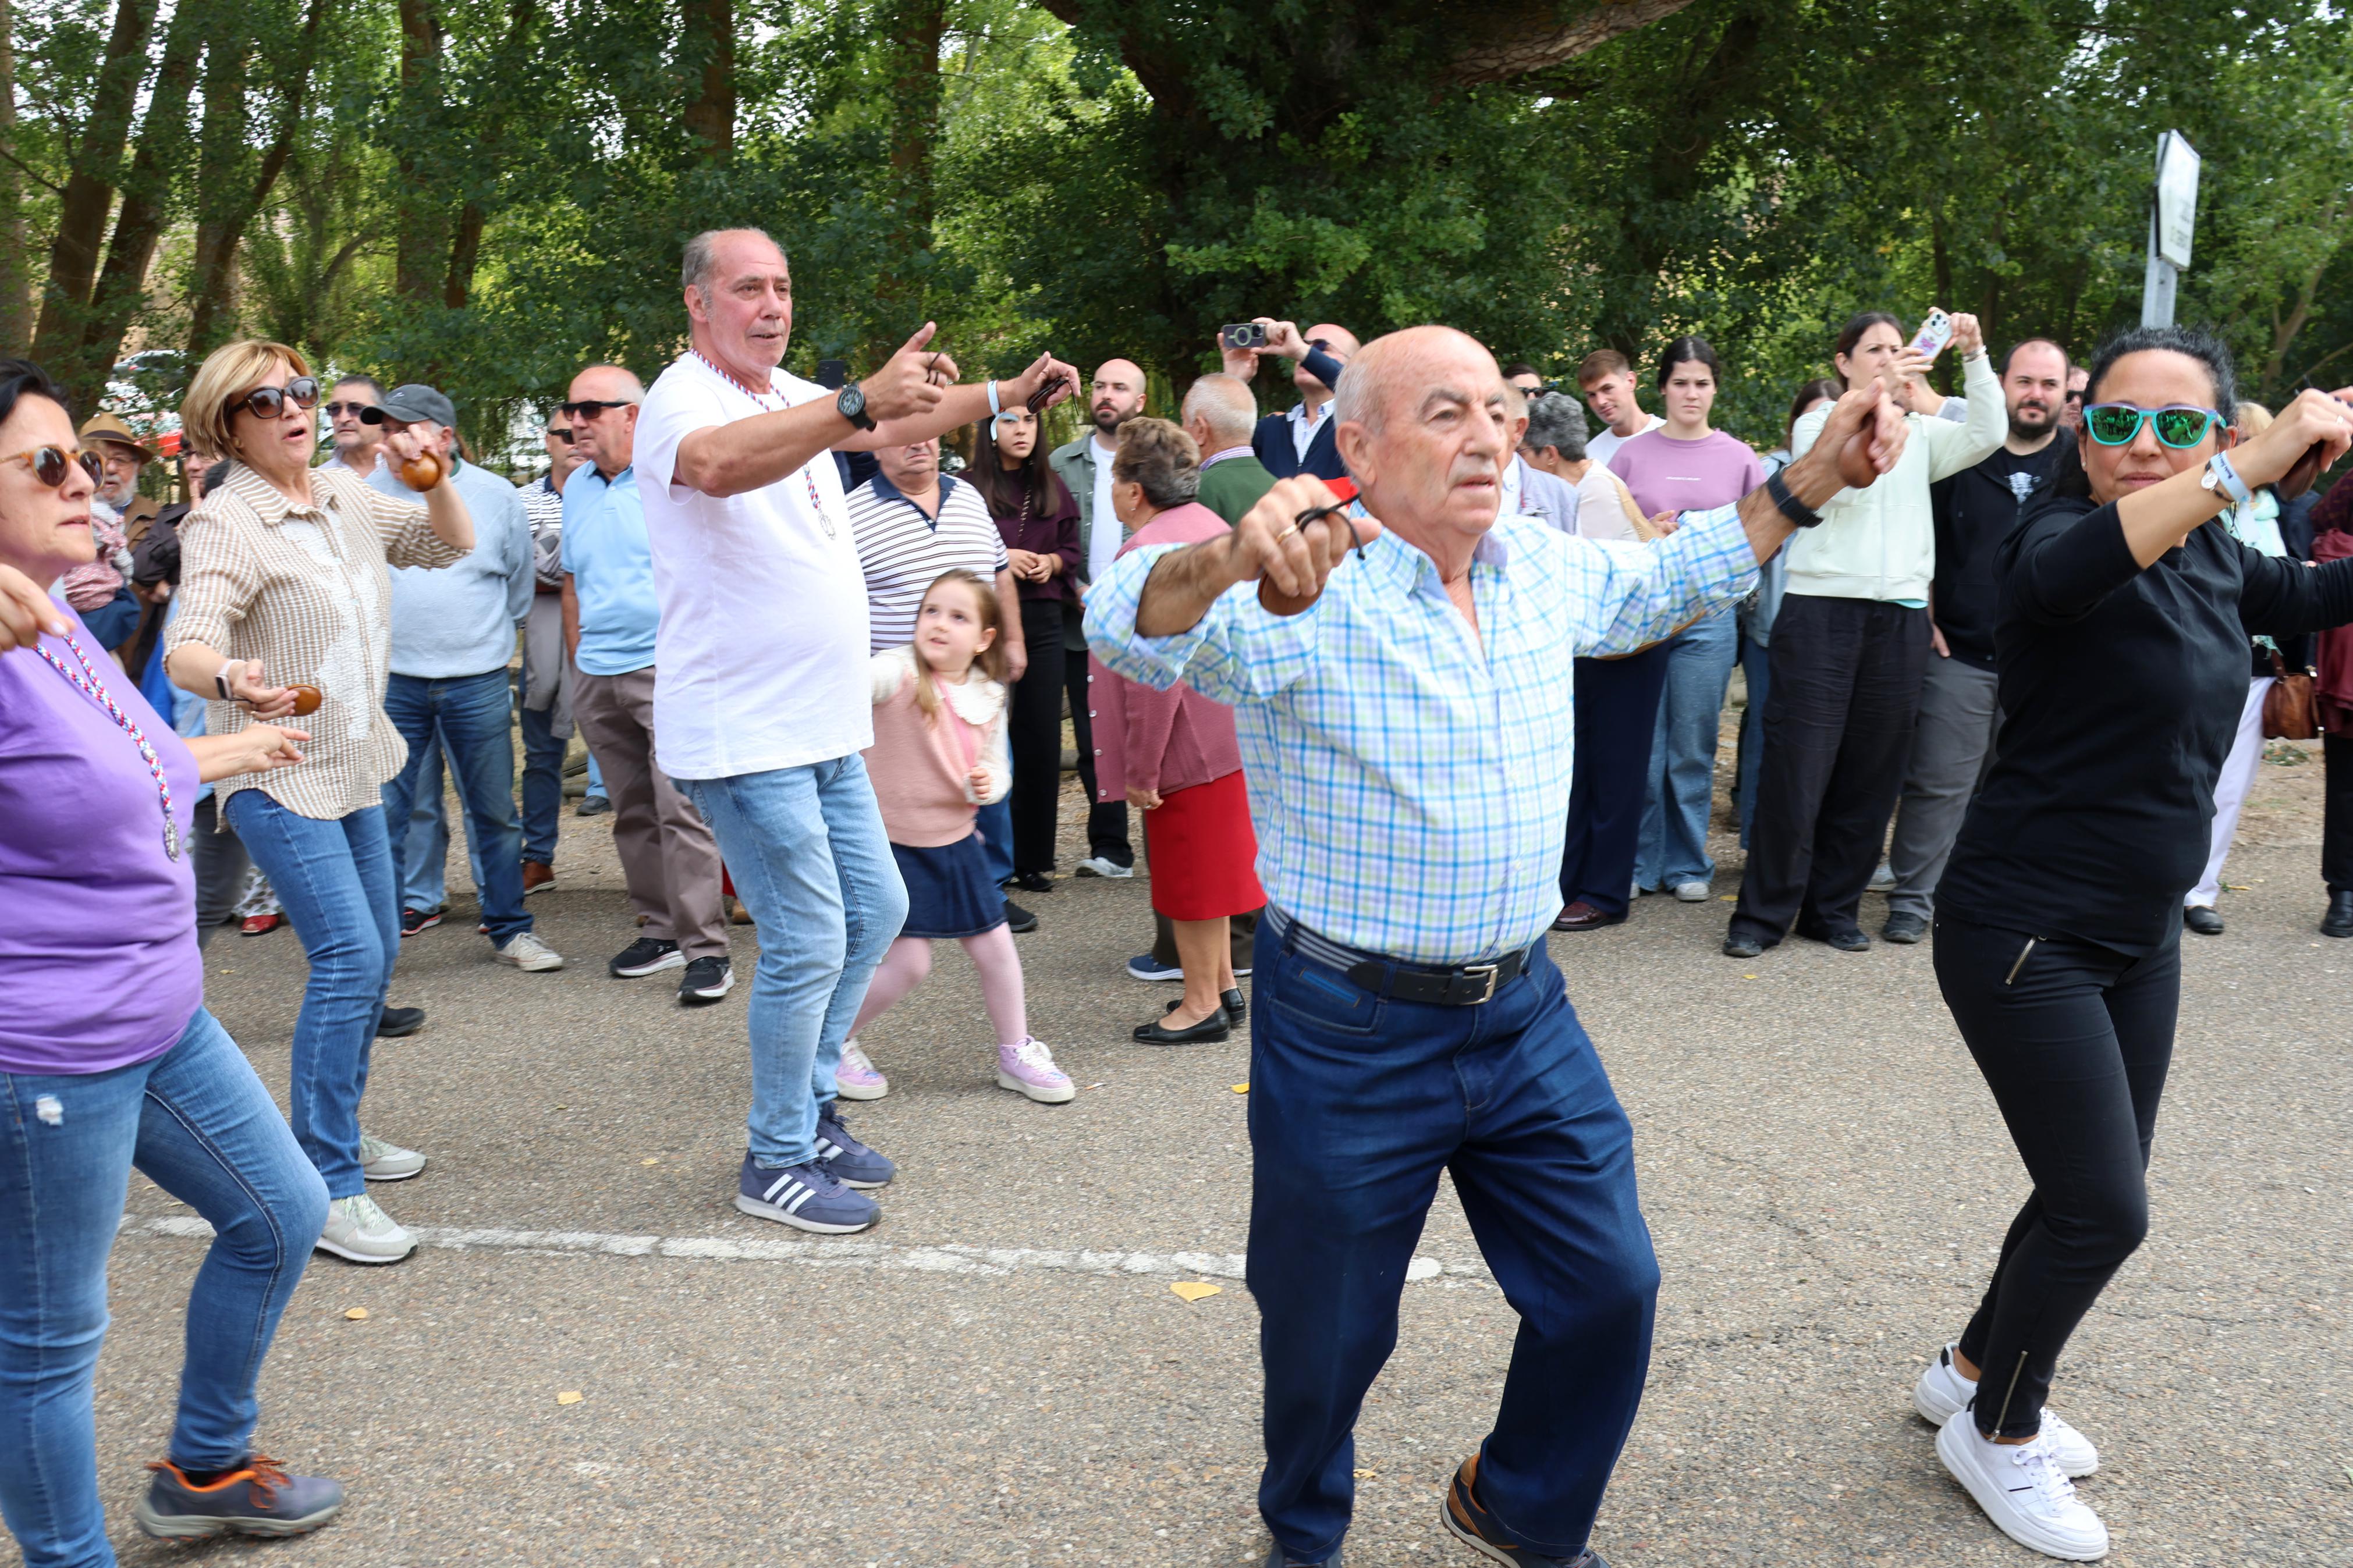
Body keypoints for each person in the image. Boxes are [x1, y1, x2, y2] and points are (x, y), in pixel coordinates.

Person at [1088, 324, 1914, 1568]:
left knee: (1606, 1289)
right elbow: (1123, 630)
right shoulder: (1301, 585)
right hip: (1347, 1032)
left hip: (1522, 1014)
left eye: (1494, 410)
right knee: (1324, 1333)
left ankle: (1516, 1502)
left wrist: (1815, 479)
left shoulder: (1537, 559)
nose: (1486, 435)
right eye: (1443, 413)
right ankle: (1301, 1533)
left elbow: (1670, 579)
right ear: (1356, 445)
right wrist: (1218, 562)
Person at [1919, 331, 2353, 1562]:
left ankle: (1963, 1370)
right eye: (2112, 423)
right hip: (2022, 930)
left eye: (2176, 425)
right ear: (2075, 430)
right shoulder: (2046, 541)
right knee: (2103, 1210)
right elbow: (2072, 579)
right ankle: (1997, 1432)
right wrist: (2236, 468)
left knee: (2077, 1189)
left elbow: (2309, 597)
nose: (2139, 446)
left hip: (2135, 932)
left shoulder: (2210, 545)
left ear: (2212, 431)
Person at [630, 226, 1076, 1235]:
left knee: (873, 914)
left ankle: (809, 1110)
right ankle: (776, 1156)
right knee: (806, 937)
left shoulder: (780, 390)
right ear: (699, 302)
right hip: (747, 733)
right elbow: (712, 467)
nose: (772, 304)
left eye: (783, 285)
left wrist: (1005, 393)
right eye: (749, 288)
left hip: (820, 725)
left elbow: (897, 419)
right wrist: (848, 401)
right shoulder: (684, 398)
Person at [0, 358, 349, 1560]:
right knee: (47, 1346)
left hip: (161, 1018)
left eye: (79, 462)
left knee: (281, 1212)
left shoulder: (60, 624)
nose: (81, 482)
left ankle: (204, 1466)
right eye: (44, 463)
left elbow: (142, 767)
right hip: (50, 1051)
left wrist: (248, 740)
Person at [163, 338, 477, 1267]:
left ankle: (333, 1119)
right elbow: (188, 644)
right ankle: (327, 1178)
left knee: (375, 955)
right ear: (229, 426)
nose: (295, 408)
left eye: (300, 390)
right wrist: (232, 677)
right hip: (273, 769)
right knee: (348, 956)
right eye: (266, 401)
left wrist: (435, 478)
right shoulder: (226, 521)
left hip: (354, 761)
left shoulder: (342, 495)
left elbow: (446, 542)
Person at [1724, 310, 2003, 958]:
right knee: (1797, 769)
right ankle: (1760, 917)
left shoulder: (1923, 434)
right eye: (1871, 350)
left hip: (1900, 617)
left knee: (1871, 772)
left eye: (1894, 348)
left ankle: (1832, 910)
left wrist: (1974, 353)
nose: (1886, 357)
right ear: (1843, 362)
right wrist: (1877, 401)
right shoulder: (1816, 423)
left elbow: (1990, 433)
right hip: (1821, 611)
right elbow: (1835, 488)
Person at [846, 570, 1074, 1109]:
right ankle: (829, 1042)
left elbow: (996, 764)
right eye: (931, 611)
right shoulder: (895, 672)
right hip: (892, 848)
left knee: (996, 947)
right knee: (910, 963)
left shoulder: (989, 694)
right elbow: (852, 683)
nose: (940, 624)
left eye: (958, 616)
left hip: (956, 842)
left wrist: (990, 782)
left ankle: (1015, 1052)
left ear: (985, 638)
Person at [1878, 340, 2070, 943]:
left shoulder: (2078, 461)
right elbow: (1919, 528)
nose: (2034, 394)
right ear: (2000, 385)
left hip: (2044, 662)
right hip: (1957, 651)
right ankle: (1912, 899)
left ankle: (2000, 900)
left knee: (2024, 789)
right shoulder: (1961, 450)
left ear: (2065, 394)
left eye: (2047, 383)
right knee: (1936, 784)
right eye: (2024, 381)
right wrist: (1928, 611)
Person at [364, 383, 559, 971]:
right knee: (386, 814)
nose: (392, 440)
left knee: (494, 812)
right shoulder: (362, 495)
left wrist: (486, 645)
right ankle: (375, 948)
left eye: (406, 428)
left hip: (476, 678)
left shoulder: (497, 496)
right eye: (386, 428)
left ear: (444, 437)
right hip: (395, 682)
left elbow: (519, 589)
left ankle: (509, 929)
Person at [559, 362, 734, 1005]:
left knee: (680, 808)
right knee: (632, 810)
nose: (574, 421)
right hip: (599, 673)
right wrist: (581, 662)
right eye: (569, 409)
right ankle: (660, 930)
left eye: (589, 409)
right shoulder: (576, 486)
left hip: (669, 667)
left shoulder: (670, 477)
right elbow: (572, 579)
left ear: (633, 415)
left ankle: (707, 950)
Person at [1089, 418, 1261, 1044]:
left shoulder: (1146, 554)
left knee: (1187, 878)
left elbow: (1152, 675)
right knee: (1213, 874)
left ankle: (1197, 1004)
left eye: (1115, 476)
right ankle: (1219, 982)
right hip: (1227, 730)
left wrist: (1140, 769)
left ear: (1134, 490)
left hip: (1182, 740)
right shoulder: (1212, 530)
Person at [1609, 337, 1763, 902]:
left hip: (1707, 618)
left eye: (1700, 382)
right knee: (1642, 748)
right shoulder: (1628, 455)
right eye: (1680, 382)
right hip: (1645, 617)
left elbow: (1759, 541)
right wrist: (1648, 528)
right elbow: (1605, 534)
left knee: (1692, 746)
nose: (1690, 393)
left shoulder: (1739, 457)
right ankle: (1638, 862)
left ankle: (1687, 863)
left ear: (1714, 388)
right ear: (1662, 389)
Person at [2175, 399, 2304, 937]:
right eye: (2241, 441)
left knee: (2228, 789)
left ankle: (2200, 891)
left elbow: (2299, 584)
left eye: (2260, 441)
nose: (2250, 451)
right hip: (2196, 659)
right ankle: (2161, 880)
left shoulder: (2286, 510)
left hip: (2255, 667)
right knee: (2181, 776)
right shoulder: (2196, 502)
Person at [966, 400, 1081, 899]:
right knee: (983, 738)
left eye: (1030, 420)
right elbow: (959, 551)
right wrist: (1002, 558)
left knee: (1039, 741)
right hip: (986, 624)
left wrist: (1051, 563)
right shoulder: (968, 487)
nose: (1021, 429)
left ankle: (1034, 860)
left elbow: (1072, 548)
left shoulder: (1051, 485)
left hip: (1044, 621)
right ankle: (984, 857)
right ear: (990, 428)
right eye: (1009, 419)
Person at [1049, 358, 1148, 879]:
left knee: (1157, 729)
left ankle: (1166, 847)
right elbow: (1046, 539)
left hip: (1150, 623)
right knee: (1095, 739)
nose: (1105, 395)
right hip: (1081, 622)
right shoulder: (1061, 463)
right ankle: (1111, 849)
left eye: (1118, 388)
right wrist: (1078, 589)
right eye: (1099, 385)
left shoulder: (1157, 461)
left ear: (1140, 402)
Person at [1736, 381, 1839, 847]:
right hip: (1770, 626)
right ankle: (1756, 840)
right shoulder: (1769, 469)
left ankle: (1804, 844)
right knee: (1764, 732)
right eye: (1811, 417)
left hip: (1828, 630)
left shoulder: (1854, 473)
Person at [519, 408, 584, 893]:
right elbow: (512, 569)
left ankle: (654, 871)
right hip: (543, 638)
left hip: (608, 635)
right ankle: (538, 857)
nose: (575, 440)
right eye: (565, 433)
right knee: (542, 755)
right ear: (547, 441)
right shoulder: (519, 501)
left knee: (638, 757)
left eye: (583, 430)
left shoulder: (619, 492)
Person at [1226, 319, 1359, 483]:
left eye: (1320, 347)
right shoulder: (1270, 429)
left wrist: (1302, 351)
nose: (1303, 353)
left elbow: (1363, 391)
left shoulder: (1360, 425)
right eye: (1304, 344)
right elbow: (1218, 451)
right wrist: (1233, 381)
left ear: (1353, 366)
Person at [1520, 393, 1651, 543]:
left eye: (1520, 453)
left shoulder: (1595, 489)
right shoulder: (1587, 481)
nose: (1517, 461)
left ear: (1550, 455)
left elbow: (1571, 558)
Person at [1498, 382, 1581, 535]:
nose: (1480, 426)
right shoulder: (1447, 485)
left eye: (1495, 418)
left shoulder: (1562, 495)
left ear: (1519, 428)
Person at [1577, 349, 1664, 467]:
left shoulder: (1676, 437)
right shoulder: (1590, 459)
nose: (1601, 402)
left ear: (1631, 381)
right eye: (1592, 395)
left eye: (1607, 389)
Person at [318, 375, 385, 478]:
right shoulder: (319, 480)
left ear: (382, 414)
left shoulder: (408, 468)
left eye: (355, 409)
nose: (343, 419)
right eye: (335, 409)